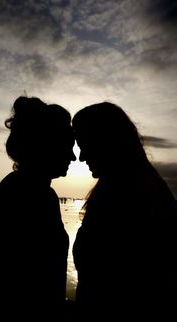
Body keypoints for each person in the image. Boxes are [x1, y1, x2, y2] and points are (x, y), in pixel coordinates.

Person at [72, 102, 177, 319]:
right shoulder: (134, 185)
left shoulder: (127, 193)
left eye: (85, 145)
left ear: (106, 141)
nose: (81, 157)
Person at [0, 96, 76, 320]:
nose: (73, 157)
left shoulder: (27, 188)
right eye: (67, 147)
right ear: (46, 146)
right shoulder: (30, 194)